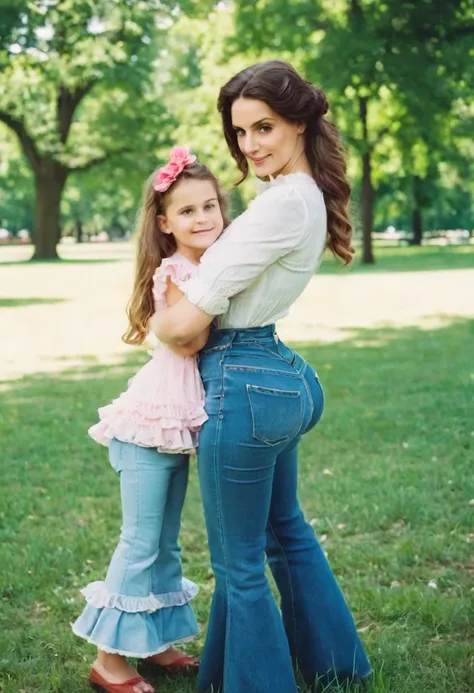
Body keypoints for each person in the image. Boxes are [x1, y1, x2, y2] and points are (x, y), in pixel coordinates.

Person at [150, 61, 373, 693]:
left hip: (245, 380)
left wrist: (157, 318)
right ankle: (335, 668)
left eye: (264, 127)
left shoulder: (282, 205)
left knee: (239, 563)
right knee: (286, 532)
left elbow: (191, 317)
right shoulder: (294, 197)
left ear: (298, 122)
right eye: (240, 131)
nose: (250, 145)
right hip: (274, 372)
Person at [72, 147, 228, 693]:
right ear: (165, 224)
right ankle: (109, 660)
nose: (203, 217)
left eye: (210, 206)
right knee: (140, 542)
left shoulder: (208, 266)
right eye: (187, 211)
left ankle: (155, 641)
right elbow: (189, 338)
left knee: (166, 542)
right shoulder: (182, 271)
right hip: (149, 423)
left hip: (174, 421)